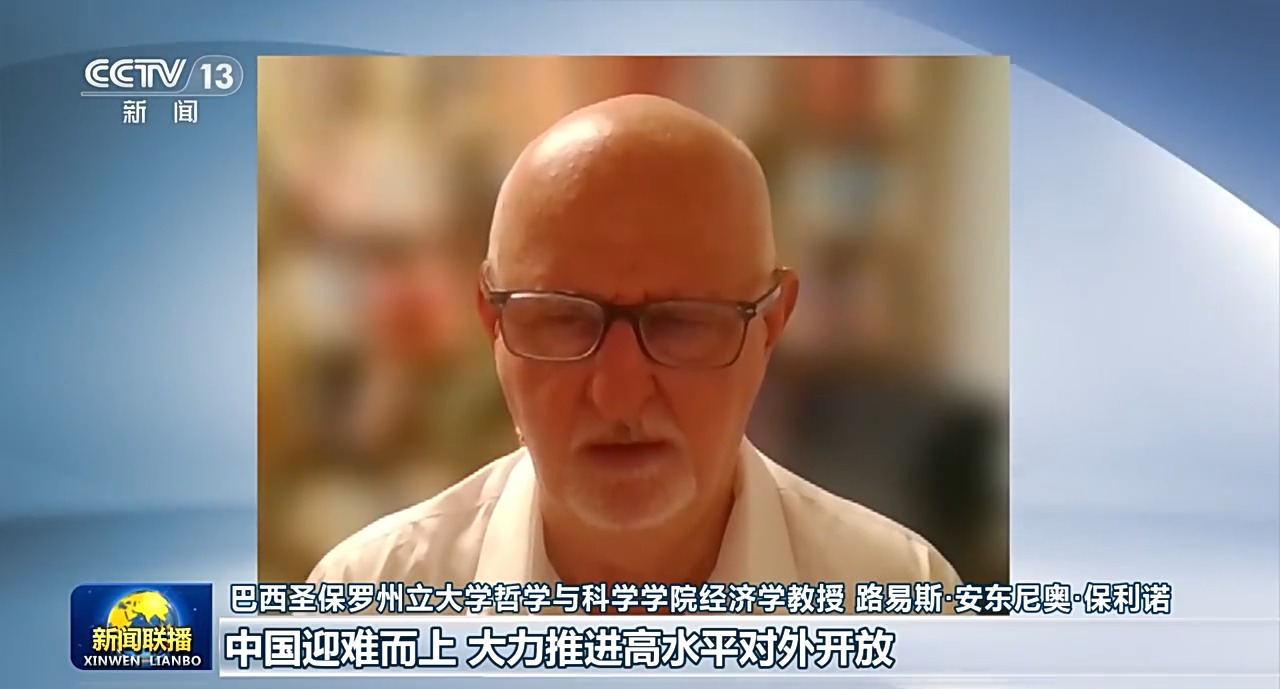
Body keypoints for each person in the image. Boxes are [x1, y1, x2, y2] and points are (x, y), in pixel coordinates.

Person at [308, 94, 962, 613]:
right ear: (493, 323)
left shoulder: (903, 600)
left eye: (681, 322)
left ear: (771, 326)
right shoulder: (367, 604)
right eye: (562, 320)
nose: (619, 395)